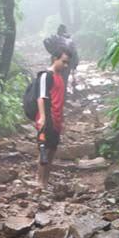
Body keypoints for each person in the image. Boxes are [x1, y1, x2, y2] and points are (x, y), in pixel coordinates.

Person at [35, 46, 71, 188]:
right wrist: (42, 117)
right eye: (63, 61)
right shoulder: (46, 75)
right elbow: (41, 97)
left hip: (56, 119)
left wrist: (62, 119)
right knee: (44, 151)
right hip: (47, 117)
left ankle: (45, 181)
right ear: (54, 59)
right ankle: (39, 182)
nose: (65, 65)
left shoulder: (60, 77)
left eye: (67, 62)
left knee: (52, 151)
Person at [44, 24, 79, 94]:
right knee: (64, 78)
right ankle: (63, 94)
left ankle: (54, 93)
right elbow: (75, 53)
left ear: (58, 31)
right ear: (65, 31)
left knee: (54, 77)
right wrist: (75, 65)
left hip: (56, 61)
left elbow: (45, 41)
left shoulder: (55, 38)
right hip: (68, 62)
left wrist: (52, 53)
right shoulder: (70, 40)